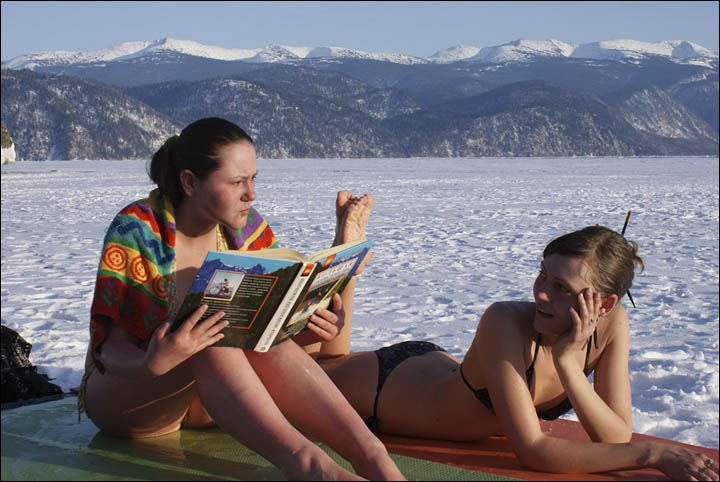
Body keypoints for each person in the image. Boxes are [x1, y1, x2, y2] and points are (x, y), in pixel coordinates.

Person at [78, 117, 403, 481]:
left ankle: (374, 457)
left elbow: (269, 335)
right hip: (132, 396)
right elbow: (109, 351)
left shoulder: (246, 228)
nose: (251, 194)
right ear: (189, 182)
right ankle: (312, 468)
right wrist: (153, 362)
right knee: (209, 329)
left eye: (253, 180)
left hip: (209, 400)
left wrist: (311, 325)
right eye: (236, 182)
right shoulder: (138, 227)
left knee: (234, 329)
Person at [318, 225, 719, 481]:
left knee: (329, 358)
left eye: (561, 287)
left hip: (440, 371)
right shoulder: (505, 321)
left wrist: (567, 364)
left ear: (605, 304)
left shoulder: (611, 328)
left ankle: (346, 261)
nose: (542, 292)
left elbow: (613, 435)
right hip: (389, 390)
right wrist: (654, 453)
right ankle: (347, 253)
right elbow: (533, 452)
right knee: (322, 367)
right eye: (542, 274)